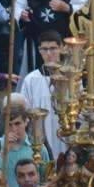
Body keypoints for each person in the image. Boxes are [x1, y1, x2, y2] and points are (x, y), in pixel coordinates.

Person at [16, 30, 66, 159]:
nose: (49, 53)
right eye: (44, 49)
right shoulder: (31, 79)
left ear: (61, 48)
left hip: (65, 134)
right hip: (41, 136)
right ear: (39, 50)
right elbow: (24, 111)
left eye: (53, 48)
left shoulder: (70, 77)